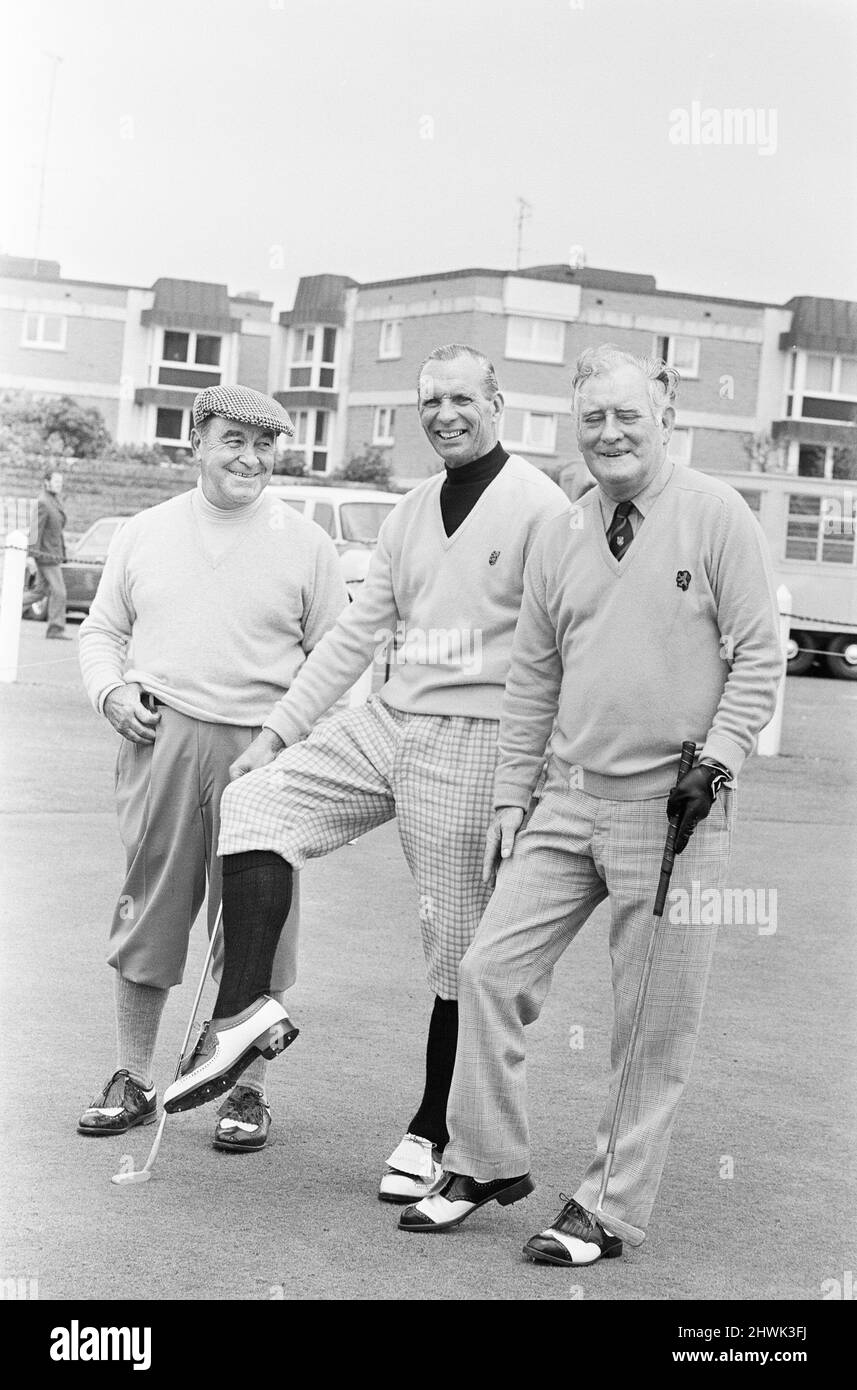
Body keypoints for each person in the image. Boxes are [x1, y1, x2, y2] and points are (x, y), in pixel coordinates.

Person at [398, 344, 783, 1263]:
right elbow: (532, 672)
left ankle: (605, 1208)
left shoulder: (714, 515)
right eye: (591, 420)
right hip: (565, 800)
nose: (609, 434)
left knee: (648, 1017)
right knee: (488, 968)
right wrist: (509, 794)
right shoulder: (563, 530)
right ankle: (485, 1160)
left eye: (627, 417)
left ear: (666, 422)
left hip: (675, 807)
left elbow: (758, 655)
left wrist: (718, 760)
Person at [162, 344, 570, 1205]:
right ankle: (243, 1015)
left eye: (461, 397)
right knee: (257, 801)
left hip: (480, 734)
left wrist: (528, 776)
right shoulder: (410, 509)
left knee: (456, 953)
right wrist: (276, 733)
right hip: (390, 719)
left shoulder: (539, 506)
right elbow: (353, 636)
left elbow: (561, 647)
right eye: (430, 400)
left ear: (497, 403)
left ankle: (432, 1129)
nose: (444, 413)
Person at [76, 385, 348, 1152]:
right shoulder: (146, 531)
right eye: (233, 439)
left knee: (260, 922)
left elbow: (335, 657)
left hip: (265, 751)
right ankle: (131, 1078)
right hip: (160, 737)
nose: (250, 458)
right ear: (197, 441)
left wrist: (300, 745)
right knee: (151, 909)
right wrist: (112, 691)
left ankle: (248, 1091)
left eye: (265, 445)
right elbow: (102, 631)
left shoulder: (306, 544)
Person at [24, 469, 69, 638]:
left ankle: (7, 607)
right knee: (59, 592)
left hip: (53, 554)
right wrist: (30, 556)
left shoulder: (54, 500)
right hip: (45, 556)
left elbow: (56, 530)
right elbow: (35, 531)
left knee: (39, 592)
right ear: (46, 482)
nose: (59, 485)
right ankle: (55, 629)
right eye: (56, 482)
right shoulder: (43, 502)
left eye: (60, 482)